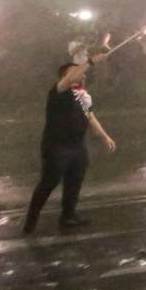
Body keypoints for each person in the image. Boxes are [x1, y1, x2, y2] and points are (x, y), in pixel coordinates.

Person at [24, 50, 116, 234]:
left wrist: (105, 136)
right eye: (77, 73)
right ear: (64, 77)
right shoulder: (58, 92)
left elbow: (90, 117)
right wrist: (90, 61)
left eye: (82, 74)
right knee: (48, 183)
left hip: (76, 146)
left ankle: (68, 216)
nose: (82, 75)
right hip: (57, 147)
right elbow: (69, 79)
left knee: (74, 181)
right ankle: (31, 222)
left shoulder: (81, 97)